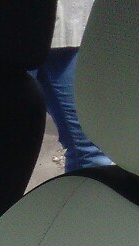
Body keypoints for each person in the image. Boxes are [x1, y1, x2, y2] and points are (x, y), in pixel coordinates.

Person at [32, 0, 111, 172]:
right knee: (3, 138)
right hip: (11, 28)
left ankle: (80, 188)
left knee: (88, 145)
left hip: (64, 31)